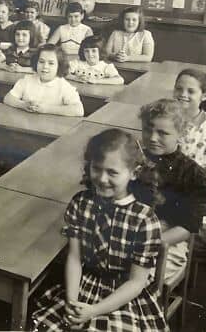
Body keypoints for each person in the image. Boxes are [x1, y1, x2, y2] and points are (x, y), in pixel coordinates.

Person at [32, 128, 167, 332]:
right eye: (97, 168)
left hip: (124, 297)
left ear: (134, 173)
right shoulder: (81, 203)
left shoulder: (144, 219)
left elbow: (136, 283)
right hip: (83, 286)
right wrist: (72, 303)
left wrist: (93, 311)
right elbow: (75, 258)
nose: (102, 179)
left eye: (112, 172)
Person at [139, 99, 206, 281]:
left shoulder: (193, 174)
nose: (152, 138)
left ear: (182, 134)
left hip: (169, 241)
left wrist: (150, 244)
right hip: (129, 229)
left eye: (162, 133)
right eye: (148, 129)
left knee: (134, 278)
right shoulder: (133, 159)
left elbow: (188, 226)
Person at [173, 69, 206, 240]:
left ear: (204, 96)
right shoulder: (167, 120)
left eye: (191, 91)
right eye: (179, 89)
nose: (183, 95)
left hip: (199, 182)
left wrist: (198, 185)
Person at [3, 44, 84, 117]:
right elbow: (8, 98)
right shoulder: (27, 80)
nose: (45, 66)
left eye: (51, 63)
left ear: (59, 66)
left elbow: (79, 110)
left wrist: (46, 109)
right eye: (41, 62)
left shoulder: (64, 86)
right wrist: (23, 105)